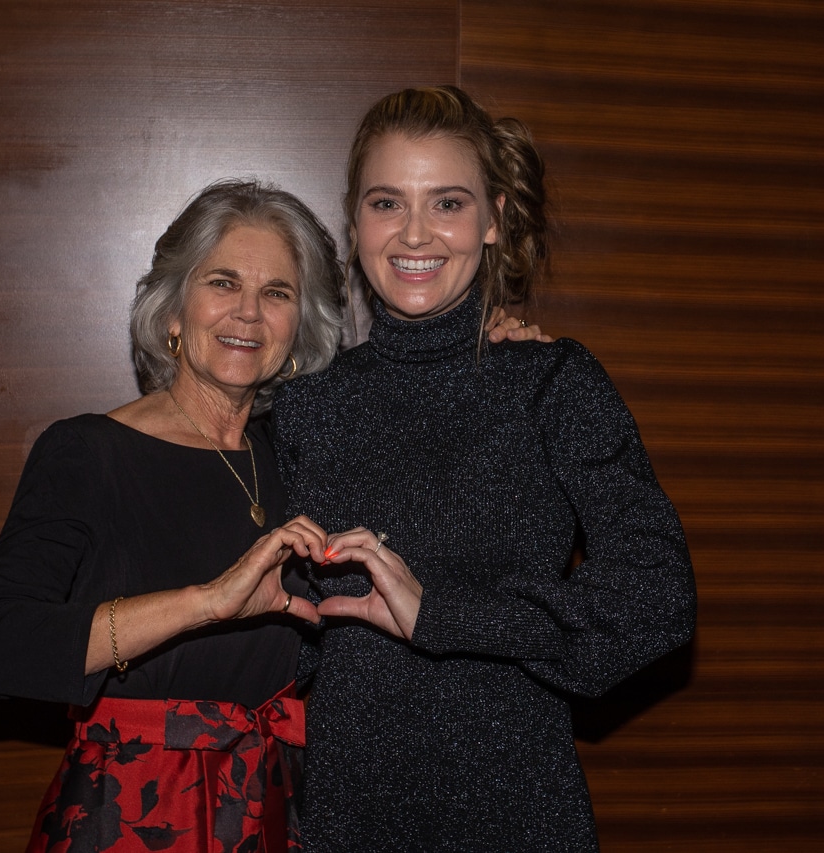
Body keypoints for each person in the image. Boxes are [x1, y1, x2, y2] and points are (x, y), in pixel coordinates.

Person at [272, 86, 698, 852]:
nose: (414, 233)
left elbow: (657, 598)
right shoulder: (306, 407)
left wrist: (444, 614)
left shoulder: (550, 383)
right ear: (355, 220)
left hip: (516, 817)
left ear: (494, 218)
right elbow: (287, 637)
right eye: (386, 202)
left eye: (447, 203)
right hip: (348, 819)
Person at [0, 178, 345, 853]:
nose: (249, 314)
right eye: (223, 282)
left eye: (276, 293)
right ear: (173, 309)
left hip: (278, 806)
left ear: (299, 326)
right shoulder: (88, 452)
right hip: (139, 811)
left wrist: (502, 355)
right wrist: (205, 602)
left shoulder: (298, 461)